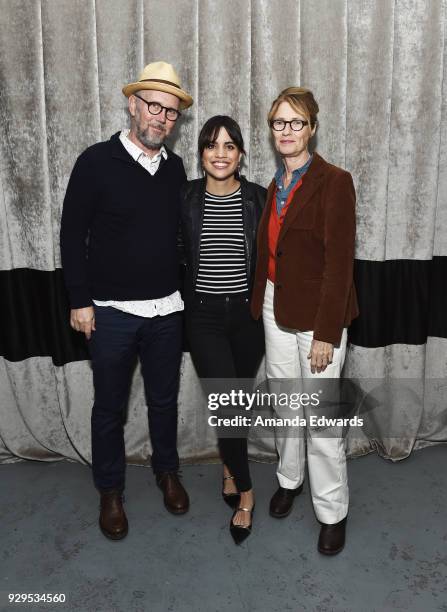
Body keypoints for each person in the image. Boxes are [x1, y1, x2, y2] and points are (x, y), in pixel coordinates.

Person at [60, 62, 193, 540]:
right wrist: (80, 300)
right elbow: (72, 234)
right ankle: (111, 491)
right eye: (153, 106)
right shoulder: (96, 161)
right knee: (109, 407)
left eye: (171, 112)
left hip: (166, 312)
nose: (161, 118)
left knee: (163, 401)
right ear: (133, 105)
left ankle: (166, 471)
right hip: (111, 312)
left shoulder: (176, 168)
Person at [250, 87, 359, 555]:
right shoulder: (277, 184)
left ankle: (332, 511)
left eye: (297, 123)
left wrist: (326, 334)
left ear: (312, 128)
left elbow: (340, 265)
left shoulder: (335, 181)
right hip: (275, 306)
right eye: (279, 123)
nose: (287, 131)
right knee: (285, 401)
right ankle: (290, 478)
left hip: (318, 315)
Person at [180, 116, 265, 544]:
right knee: (228, 402)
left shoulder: (257, 199)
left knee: (240, 399)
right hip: (204, 317)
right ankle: (247, 495)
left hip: (248, 318)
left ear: (241, 154)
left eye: (230, 146)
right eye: (212, 145)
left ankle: (230, 468)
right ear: (201, 153)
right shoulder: (186, 198)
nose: (220, 153)